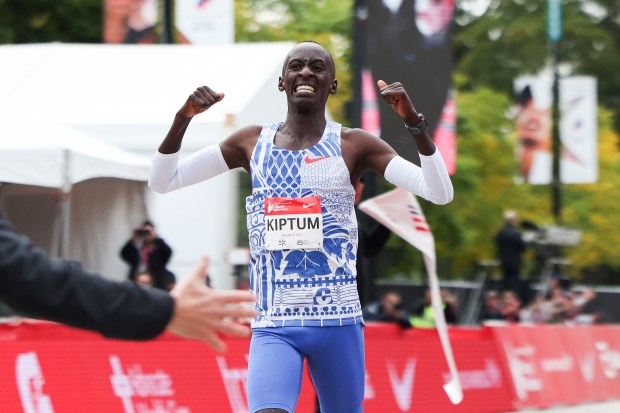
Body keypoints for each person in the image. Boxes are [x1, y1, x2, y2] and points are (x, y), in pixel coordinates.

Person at [149, 41, 453, 413]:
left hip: (338, 323)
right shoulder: (250, 142)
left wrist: (414, 122)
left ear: (333, 84)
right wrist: (184, 117)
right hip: (274, 324)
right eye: (296, 66)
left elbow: (438, 192)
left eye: (317, 67)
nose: (306, 72)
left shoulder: (354, 144)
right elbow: (164, 181)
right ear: (282, 82)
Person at [0, 211, 256, 350]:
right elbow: (30, 276)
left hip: (152, 284)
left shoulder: (158, 248)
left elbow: (31, 275)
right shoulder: (134, 250)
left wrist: (161, 307)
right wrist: (162, 309)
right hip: (139, 286)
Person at [120, 220, 176, 291]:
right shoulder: (137, 250)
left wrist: (156, 238)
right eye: (145, 232)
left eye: (148, 232)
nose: (147, 235)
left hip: (157, 286)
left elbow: (169, 252)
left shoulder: (159, 252)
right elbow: (123, 254)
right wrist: (132, 239)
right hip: (136, 286)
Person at [495, 210, 533, 305]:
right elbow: (523, 247)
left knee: (505, 282)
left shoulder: (500, 233)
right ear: (513, 221)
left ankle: (504, 300)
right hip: (514, 263)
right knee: (514, 284)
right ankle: (513, 302)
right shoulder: (516, 233)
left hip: (504, 262)